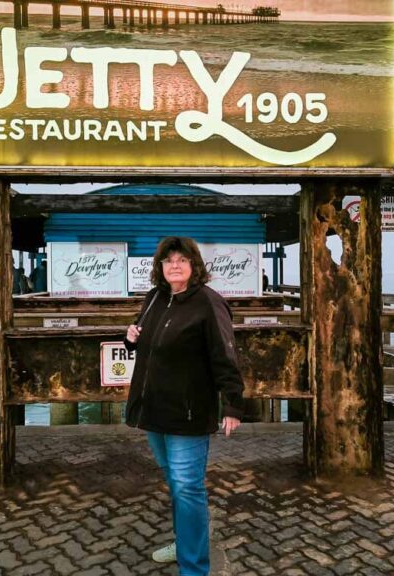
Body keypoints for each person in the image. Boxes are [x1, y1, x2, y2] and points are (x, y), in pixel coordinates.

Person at [124, 236, 244, 576]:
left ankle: (193, 568)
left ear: (194, 265)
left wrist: (232, 404)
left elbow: (225, 354)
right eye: (168, 260)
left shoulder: (208, 302)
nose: (174, 265)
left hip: (187, 413)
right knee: (176, 484)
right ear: (160, 267)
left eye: (181, 260)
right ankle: (184, 545)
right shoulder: (155, 297)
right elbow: (145, 339)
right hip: (153, 409)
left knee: (188, 488)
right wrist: (130, 338)